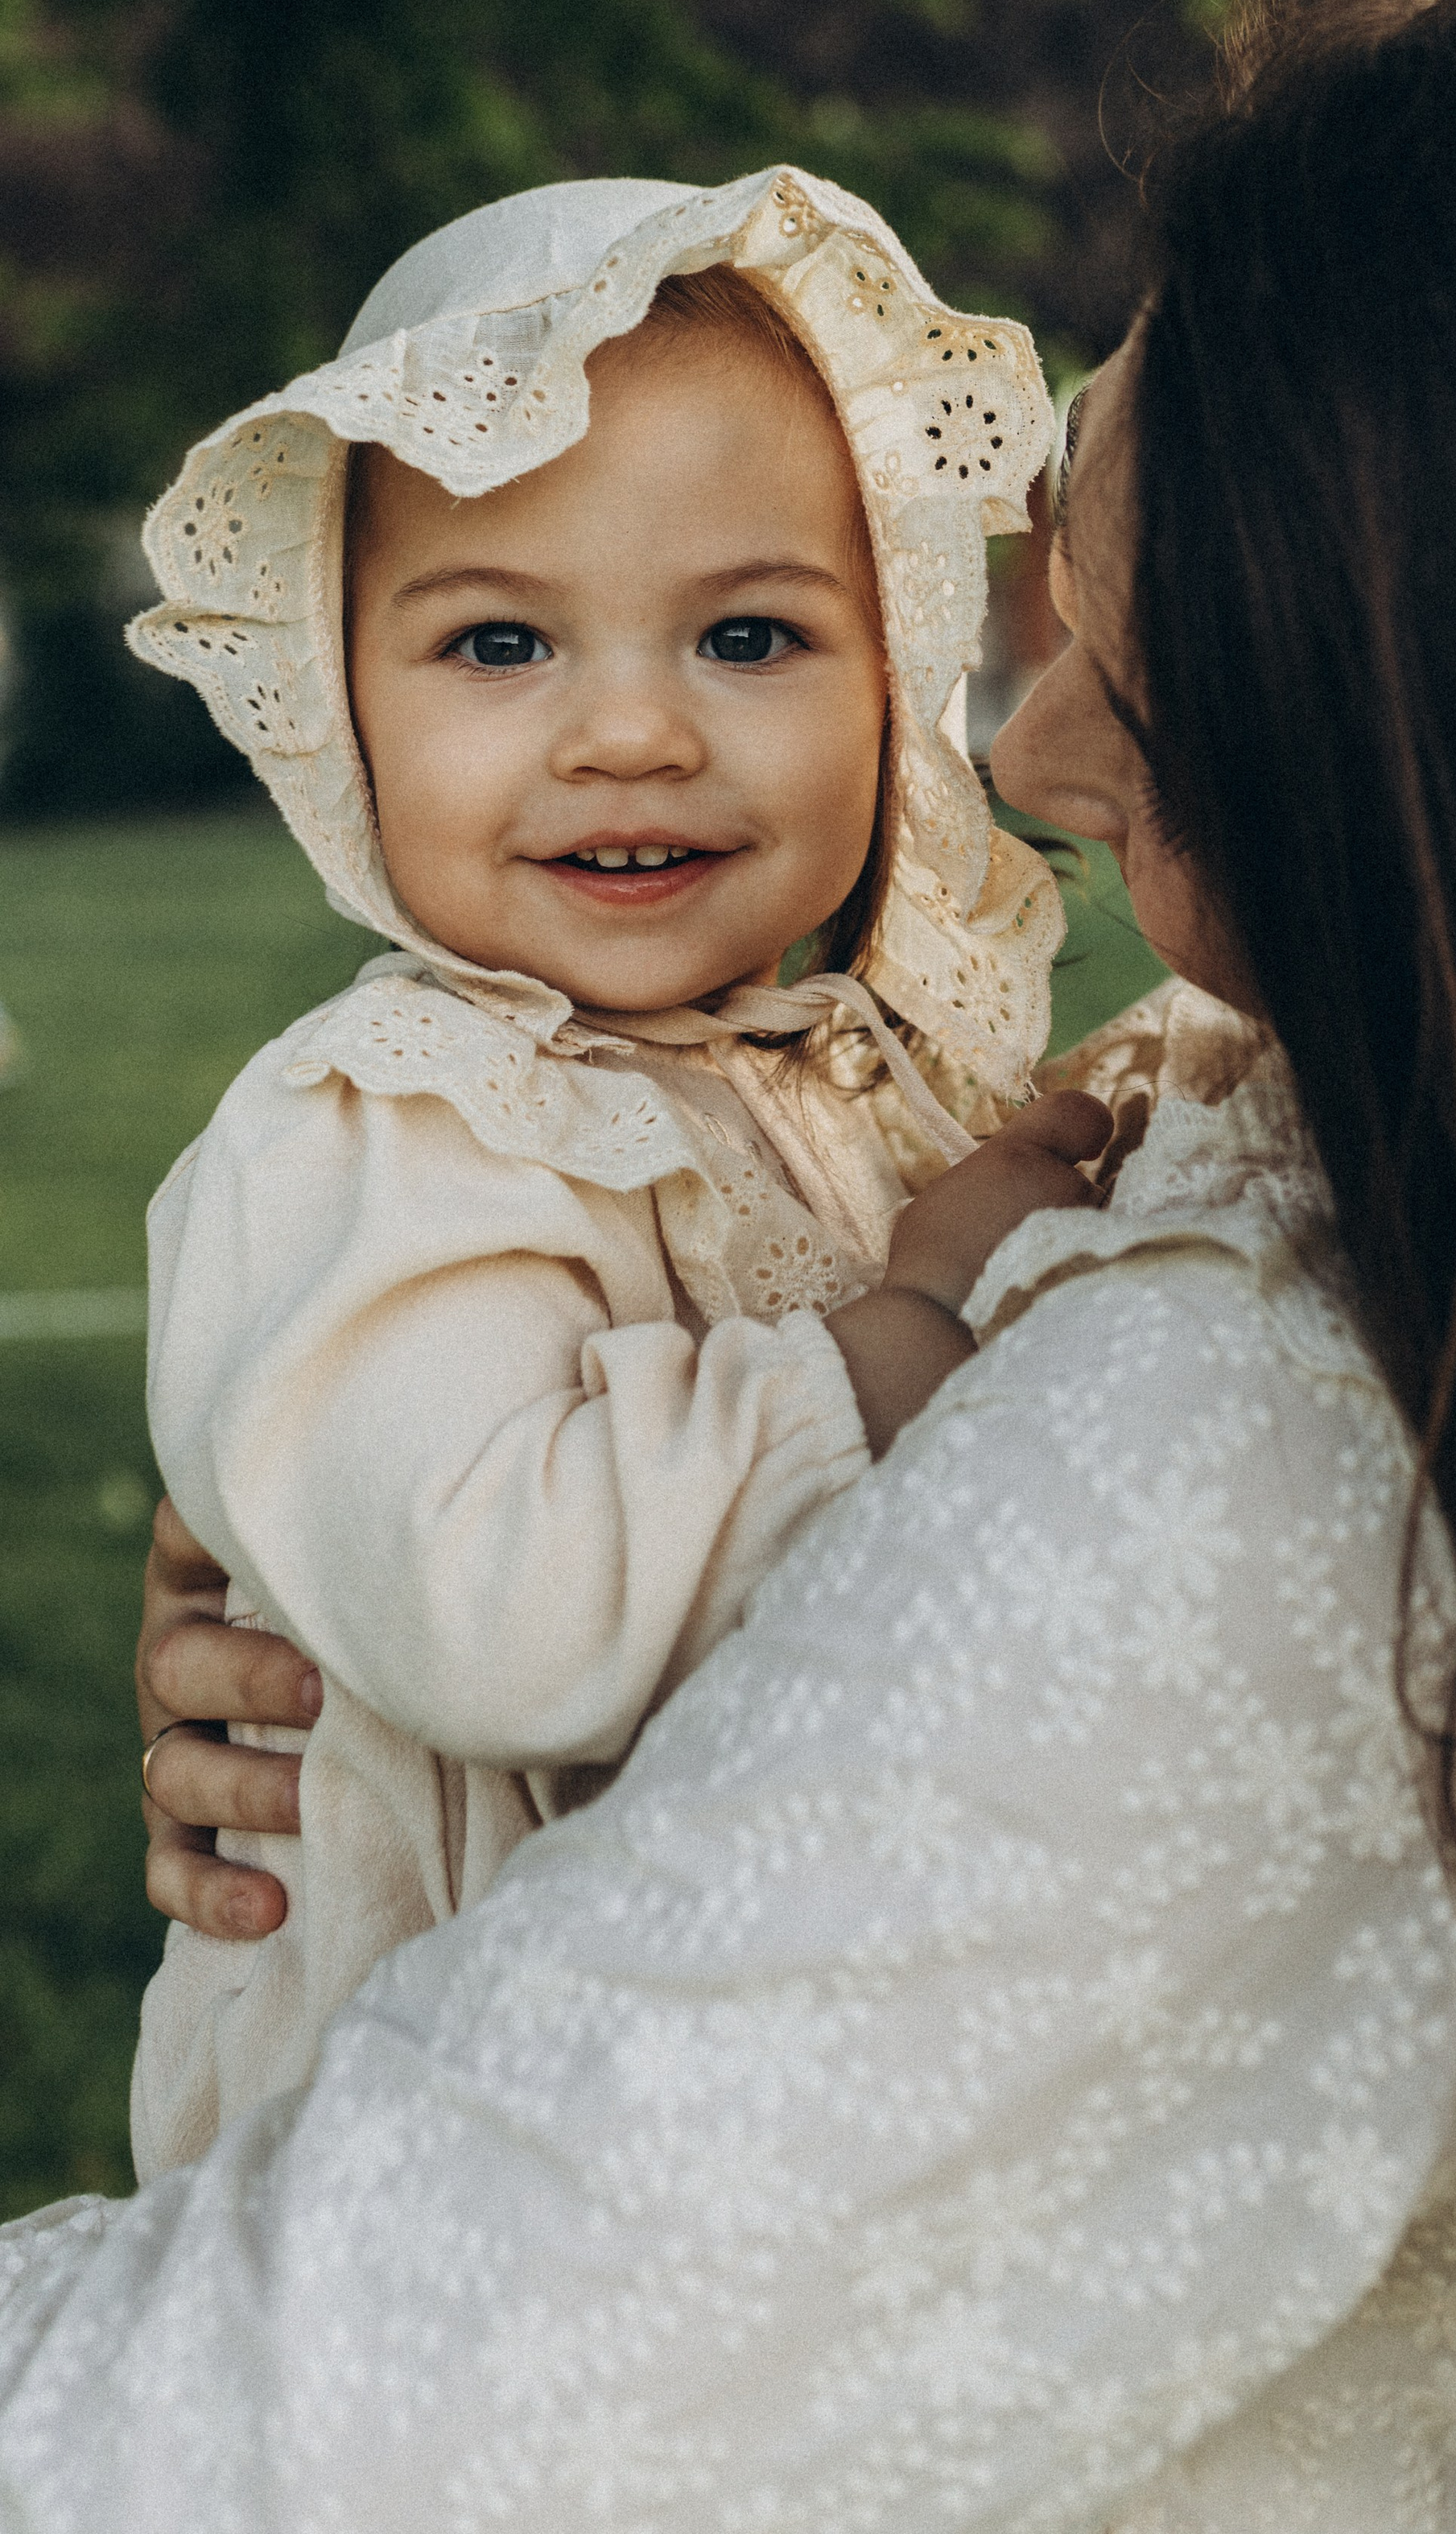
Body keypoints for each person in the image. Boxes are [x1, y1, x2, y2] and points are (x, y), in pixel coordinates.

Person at [6, 0, 1456, 2534]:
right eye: (500, 643)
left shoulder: (1229, 1467)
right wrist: (364, 1567)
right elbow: (490, 1559)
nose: (1041, 750)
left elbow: (272, 2445)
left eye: (1163, 686)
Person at [121, 164, 1105, 2179]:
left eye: (747, 634)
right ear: (338, 708)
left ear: (903, 679)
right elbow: (494, 1606)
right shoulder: (377, 1128)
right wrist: (905, 1321)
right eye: (498, 647)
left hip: (766, 2093)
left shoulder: (868, 1082)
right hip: (467, 2161)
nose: (632, 733)